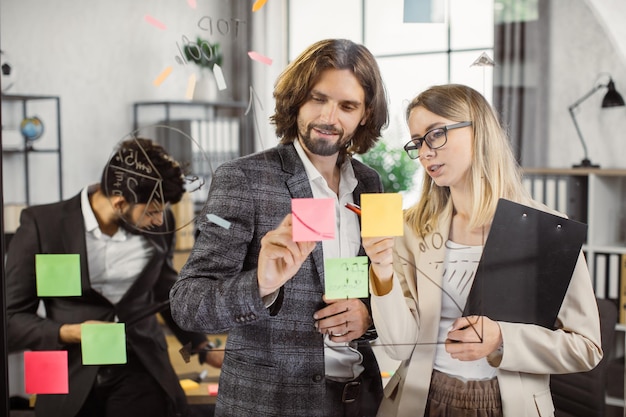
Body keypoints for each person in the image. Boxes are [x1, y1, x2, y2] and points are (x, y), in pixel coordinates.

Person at [169, 38, 389, 417]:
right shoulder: (243, 179)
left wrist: (367, 316)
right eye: (317, 99)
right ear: (296, 99)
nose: (329, 118)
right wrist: (261, 284)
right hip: (271, 404)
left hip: (359, 399)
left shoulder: (369, 184)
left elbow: (371, 285)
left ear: (365, 114)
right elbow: (188, 305)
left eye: (347, 106)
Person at [362, 84, 603, 417]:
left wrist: (502, 338)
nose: (424, 153)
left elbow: (586, 347)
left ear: (479, 129)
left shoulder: (546, 229)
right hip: (423, 401)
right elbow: (399, 345)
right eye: (417, 142)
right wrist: (382, 269)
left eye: (435, 135)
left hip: (507, 406)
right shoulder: (410, 228)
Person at [6, 137, 223, 417]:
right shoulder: (41, 225)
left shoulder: (158, 225)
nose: (160, 221)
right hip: (69, 370)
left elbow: (165, 294)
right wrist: (70, 332)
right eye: (153, 212)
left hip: (142, 366)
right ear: (120, 202)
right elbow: (12, 319)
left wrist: (201, 346)